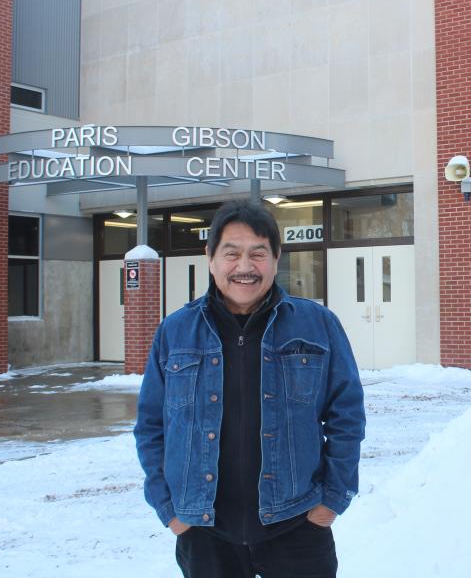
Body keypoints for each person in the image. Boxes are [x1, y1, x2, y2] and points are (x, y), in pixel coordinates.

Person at [135, 199, 366, 578]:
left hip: (297, 525)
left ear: (276, 258)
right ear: (210, 257)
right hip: (205, 532)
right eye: (232, 253)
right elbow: (151, 426)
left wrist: (330, 502)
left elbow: (347, 416)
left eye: (258, 253)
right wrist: (169, 508)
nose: (245, 267)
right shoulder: (176, 331)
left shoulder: (317, 324)